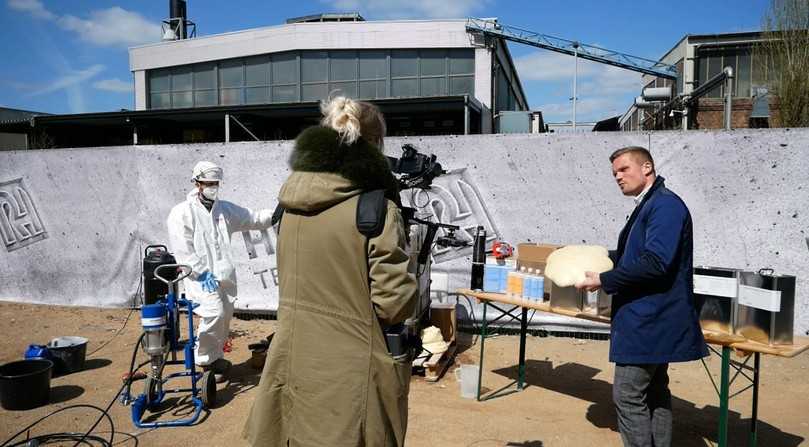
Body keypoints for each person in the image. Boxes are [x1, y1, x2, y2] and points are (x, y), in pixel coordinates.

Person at [243, 96, 418, 447]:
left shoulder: (288, 205)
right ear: (373, 146)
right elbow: (393, 304)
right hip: (352, 374)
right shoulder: (376, 209)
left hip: (293, 361)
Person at [576, 146, 706, 447]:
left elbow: (656, 262)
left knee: (628, 394)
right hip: (652, 318)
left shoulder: (665, 206)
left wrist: (604, 280)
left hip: (652, 318)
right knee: (655, 392)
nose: (618, 177)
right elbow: (635, 255)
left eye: (624, 170)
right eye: (614, 173)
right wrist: (593, 257)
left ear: (647, 168)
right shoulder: (649, 205)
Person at [166, 161, 274, 383]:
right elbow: (182, 248)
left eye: (215, 183)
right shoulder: (182, 213)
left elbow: (252, 218)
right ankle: (205, 361)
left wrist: (278, 212)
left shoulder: (224, 210)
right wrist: (201, 272)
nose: (212, 187)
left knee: (224, 316)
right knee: (214, 313)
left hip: (225, 277)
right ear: (197, 183)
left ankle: (215, 359)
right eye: (208, 183)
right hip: (200, 279)